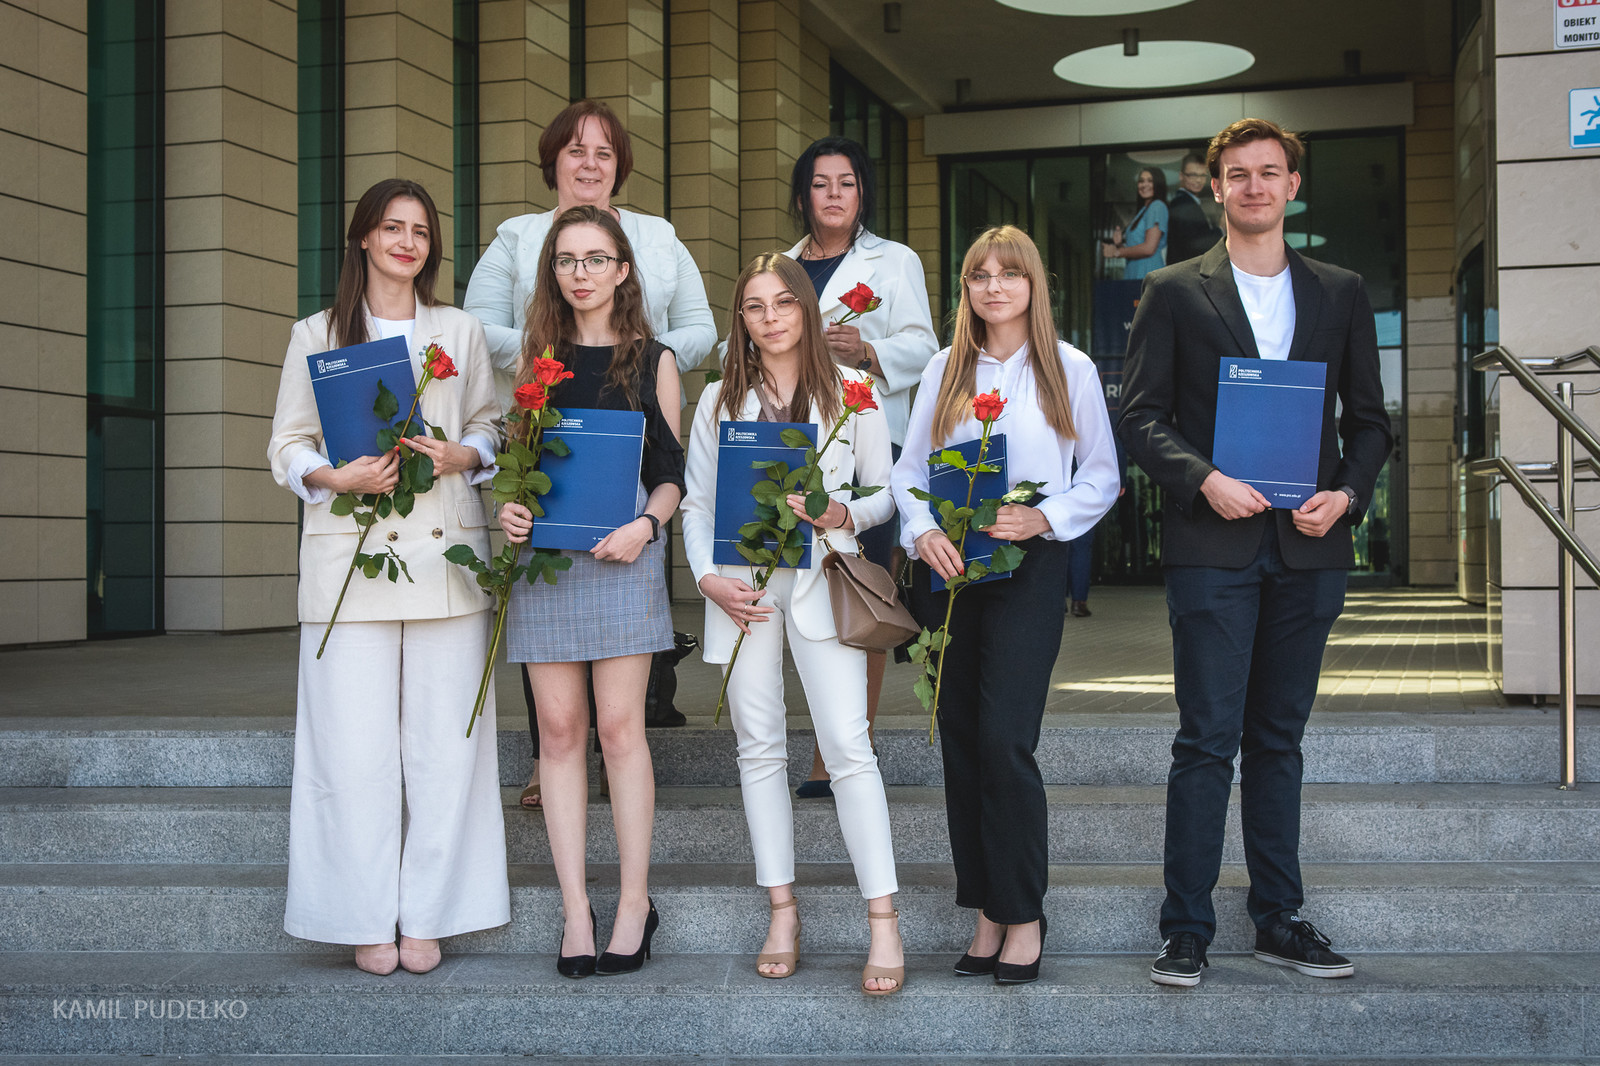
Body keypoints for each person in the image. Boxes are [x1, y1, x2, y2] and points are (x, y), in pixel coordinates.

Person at [1117, 118, 1392, 988]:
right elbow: (1140, 416)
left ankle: (1279, 918)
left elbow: (1371, 423)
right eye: (1237, 174)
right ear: (1215, 188)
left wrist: (1347, 495)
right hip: (1213, 544)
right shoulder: (1172, 290)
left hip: (1310, 546)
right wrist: (1203, 480)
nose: (1254, 186)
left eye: (1269, 172)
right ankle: (1185, 929)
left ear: (1293, 186)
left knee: (1279, 739)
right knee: (1206, 740)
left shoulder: (1341, 292)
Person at [268, 178, 509, 976]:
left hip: (446, 562)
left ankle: (434, 913)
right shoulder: (315, 332)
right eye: (393, 227)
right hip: (349, 557)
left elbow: (490, 424)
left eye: (421, 231)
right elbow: (287, 443)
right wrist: (332, 477)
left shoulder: (460, 328)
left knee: (448, 752)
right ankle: (361, 916)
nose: (408, 242)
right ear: (364, 237)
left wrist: (465, 454)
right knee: (350, 753)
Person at [464, 99, 715, 812]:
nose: (590, 163)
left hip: (632, 426)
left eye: (604, 152)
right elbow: (477, 327)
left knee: (631, 584)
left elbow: (701, 327)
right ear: (553, 162)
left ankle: (623, 742)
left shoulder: (659, 236)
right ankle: (551, 757)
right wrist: (556, 355)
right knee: (546, 596)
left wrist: (638, 358)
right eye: (576, 150)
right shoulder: (516, 236)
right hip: (547, 422)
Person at [892, 225, 1120, 985]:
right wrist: (922, 530)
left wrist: (1044, 517)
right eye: (979, 275)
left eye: (1009, 274)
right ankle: (986, 909)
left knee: (1005, 739)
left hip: (1028, 568)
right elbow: (909, 470)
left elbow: (1102, 476)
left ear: (1034, 285)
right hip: (952, 569)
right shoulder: (944, 369)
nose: (994, 287)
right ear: (966, 289)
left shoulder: (1069, 368)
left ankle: (1024, 913)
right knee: (960, 736)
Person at [681, 253, 906, 995]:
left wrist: (843, 512)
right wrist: (706, 578)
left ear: (807, 309)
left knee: (847, 745)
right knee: (758, 749)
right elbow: (697, 503)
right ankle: (782, 911)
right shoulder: (719, 399)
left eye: (783, 302)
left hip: (822, 582)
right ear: (740, 320)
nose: (770, 317)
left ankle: (883, 920)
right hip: (741, 588)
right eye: (754, 306)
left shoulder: (853, 391)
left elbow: (885, 492)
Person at [497, 205, 684, 979]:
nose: (581, 273)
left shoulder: (653, 360)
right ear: (553, 271)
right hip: (546, 564)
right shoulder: (537, 359)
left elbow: (671, 473)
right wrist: (510, 508)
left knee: (620, 730)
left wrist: (647, 526)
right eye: (567, 260)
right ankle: (576, 910)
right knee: (559, 732)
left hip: (625, 557)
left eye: (595, 258)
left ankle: (634, 904)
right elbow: (518, 465)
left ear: (623, 270)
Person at [780, 136, 939, 798]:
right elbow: (744, 343)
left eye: (846, 182)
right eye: (821, 183)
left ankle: (845, 747)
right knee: (801, 595)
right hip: (796, 448)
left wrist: (867, 351)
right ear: (802, 197)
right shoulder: (781, 268)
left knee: (859, 592)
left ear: (863, 192)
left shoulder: (895, 261)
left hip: (868, 447)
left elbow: (925, 348)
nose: (834, 194)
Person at [1101, 167, 1169, 281]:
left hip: (1148, 272)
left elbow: (1149, 248)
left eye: (1150, 181)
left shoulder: (1157, 206)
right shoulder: (1144, 210)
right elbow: (1136, 249)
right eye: (1141, 181)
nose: (1144, 185)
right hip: (1136, 271)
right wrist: (1119, 245)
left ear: (1158, 184)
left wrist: (1116, 252)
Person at [1167, 152, 1222, 265]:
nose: (1198, 180)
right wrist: (1221, 229)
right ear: (1181, 176)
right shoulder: (1182, 203)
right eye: (1193, 175)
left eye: (1202, 175)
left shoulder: (1188, 201)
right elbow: (1196, 244)